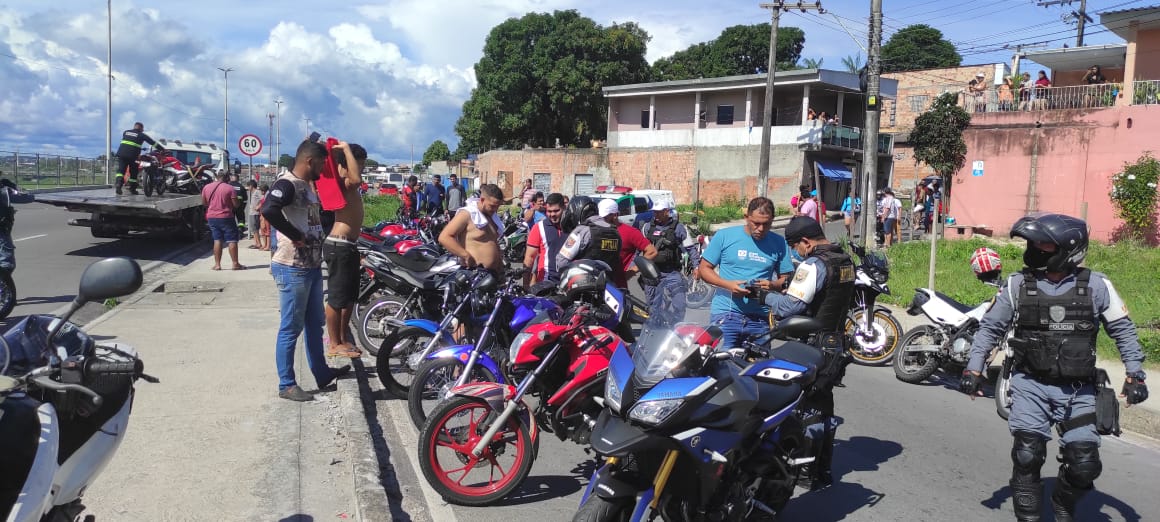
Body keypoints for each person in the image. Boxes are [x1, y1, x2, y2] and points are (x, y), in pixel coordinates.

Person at [959, 214, 1148, 522]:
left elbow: (1123, 330)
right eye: (1033, 244)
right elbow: (990, 327)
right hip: (1030, 385)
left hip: (1079, 390)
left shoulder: (1097, 286)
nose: (1035, 250)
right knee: (1027, 455)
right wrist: (974, 369)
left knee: (1085, 464)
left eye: (1043, 245)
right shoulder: (1017, 284)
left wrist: (1135, 374)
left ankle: (1062, 501)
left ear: (1068, 250)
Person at [764, 216, 856, 490]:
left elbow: (790, 307)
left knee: (804, 407)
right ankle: (821, 470)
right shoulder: (844, 260)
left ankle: (803, 470)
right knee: (823, 403)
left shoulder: (813, 264)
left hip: (813, 345)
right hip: (836, 344)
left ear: (805, 242)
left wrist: (765, 297)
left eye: (795, 246)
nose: (796, 252)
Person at [261, 139, 351, 402]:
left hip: (310, 266)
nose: (323, 168)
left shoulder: (305, 185)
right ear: (309, 161)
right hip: (292, 267)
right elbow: (269, 209)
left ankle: (322, 373)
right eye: (321, 163)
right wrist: (294, 234)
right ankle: (287, 384)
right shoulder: (286, 184)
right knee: (291, 327)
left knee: (315, 324)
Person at [697, 197, 795, 349]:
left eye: (766, 224)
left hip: (760, 319)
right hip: (726, 315)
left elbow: (787, 279)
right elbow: (704, 269)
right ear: (746, 218)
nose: (761, 229)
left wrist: (772, 285)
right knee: (720, 361)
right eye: (756, 223)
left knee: (759, 363)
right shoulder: (724, 236)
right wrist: (728, 285)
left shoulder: (779, 242)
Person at [322, 142, 367, 359]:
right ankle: (333, 344)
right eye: (359, 165)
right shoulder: (344, 183)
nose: (362, 170)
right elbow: (356, 179)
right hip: (338, 245)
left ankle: (342, 339)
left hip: (348, 246)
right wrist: (346, 150)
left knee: (349, 298)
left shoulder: (348, 184)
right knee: (336, 298)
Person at [639, 200, 699, 327]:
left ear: (667, 212)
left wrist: (696, 266)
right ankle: (655, 330)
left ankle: (676, 327)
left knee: (680, 303)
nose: (656, 214)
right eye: (655, 212)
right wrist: (632, 267)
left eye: (659, 212)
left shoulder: (679, 228)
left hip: (671, 272)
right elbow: (637, 249)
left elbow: (690, 248)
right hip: (651, 273)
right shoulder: (647, 228)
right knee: (653, 307)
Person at [557, 197, 626, 288]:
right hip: (609, 287)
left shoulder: (582, 231)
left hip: (584, 287)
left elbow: (561, 262)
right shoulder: (615, 232)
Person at [438, 183, 505, 274]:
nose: (495, 209)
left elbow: (494, 243)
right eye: (492, 206)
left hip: (493, 274)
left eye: (498, 206)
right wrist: (465, 255)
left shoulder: (492, 217)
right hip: (474, 273)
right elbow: (444, 237)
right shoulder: (466, 214)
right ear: (482, 200)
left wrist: (500, 267)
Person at [523, 192, 567, 287]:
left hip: (569, 280)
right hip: (546, 281)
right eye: (549, 211)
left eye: (556, 211)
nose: (552, 214)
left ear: (564, 208)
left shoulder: (572, 227)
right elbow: (529, 258)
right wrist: (525, 284)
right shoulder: (538, 228)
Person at [202, 172, 244, 271]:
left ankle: (217, 265)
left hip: (212, 217)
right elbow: (236, 204)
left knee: (217, 240)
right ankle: (235, 264)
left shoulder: (206, 187)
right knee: (232, 240)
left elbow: (204, 203)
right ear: (227, 178)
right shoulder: (230, 188)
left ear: (216, 177)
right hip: (226, 217)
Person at [114, 122, 160, 195]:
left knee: (121, 171)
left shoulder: (126, 132)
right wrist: (162, 149)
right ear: (141, 128)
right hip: (133, 156)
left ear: (134, 126)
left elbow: (130, 142)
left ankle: (118, 185)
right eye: (142, 129)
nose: (143, 130)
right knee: (134, 172)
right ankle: (132, 189)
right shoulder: (141, 135)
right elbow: (153, 143)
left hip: (121, 155)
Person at [0, 176, 34, 273]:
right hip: (2, 230)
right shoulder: (3, 191)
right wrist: (13, 187)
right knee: (6, 263)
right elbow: (27, 198)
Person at [244, 180, 261, 246]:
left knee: (255, 229)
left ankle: (258, 243)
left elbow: (263, 199)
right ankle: (256, 243)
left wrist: (258, 207)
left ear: (251, 186)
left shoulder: (257, 192)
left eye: (248, 186)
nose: (247, 188)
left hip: (255, 213)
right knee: (253, 229)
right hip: (252, 213)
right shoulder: (253, 193)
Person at [256, 183, 270, 251]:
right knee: (263, 230)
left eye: (261, 191)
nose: (260, 192)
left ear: (263, 191)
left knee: (267, 231)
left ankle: (268, 246)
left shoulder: (267, 197)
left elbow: (261, 205)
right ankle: (265, 245)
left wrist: (258, 206)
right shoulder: (265, 196)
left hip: (266, 215)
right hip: (262, 215)